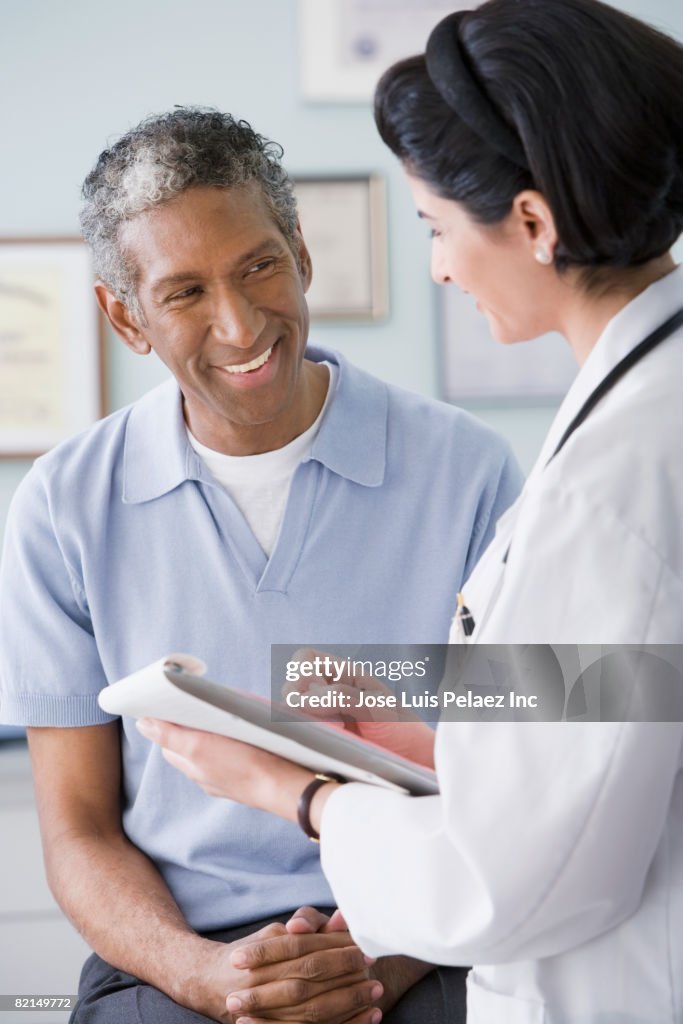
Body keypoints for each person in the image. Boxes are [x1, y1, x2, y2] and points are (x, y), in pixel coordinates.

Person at [133, 2, 683, 1022]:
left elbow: (500, 884)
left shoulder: (601, 480)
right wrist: (424, 733)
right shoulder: (640, 413)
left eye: (435, 226)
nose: (435, 264)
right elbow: (639, 688)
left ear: (529, 222)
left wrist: (292, 790)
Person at [0, 108, 523, 1024]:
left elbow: (513, 772)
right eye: (184, 293)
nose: (239, 325)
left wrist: (372, 965)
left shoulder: (468, 469)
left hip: (421, 938)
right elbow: (76, 829)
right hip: (179, 960)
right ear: (125, 315)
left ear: (301, 254)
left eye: (258, 267)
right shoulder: (60, 506)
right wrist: (207, 976)